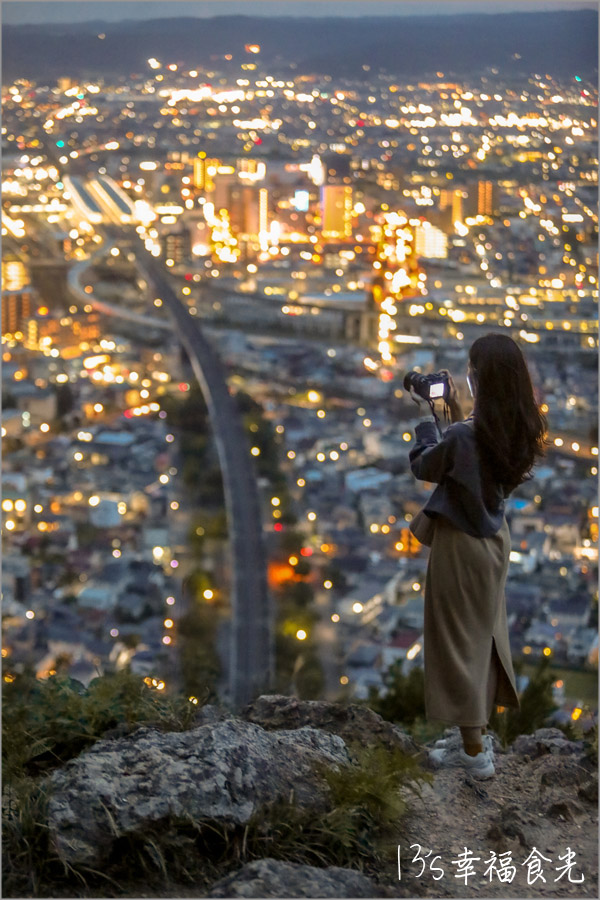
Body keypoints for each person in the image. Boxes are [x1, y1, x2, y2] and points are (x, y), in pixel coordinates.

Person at [407, 333, 548, 779]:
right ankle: (472, 732)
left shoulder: (468, 435)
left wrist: (426, 422)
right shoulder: (521, 429)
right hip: (493, 542)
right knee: (482, 638)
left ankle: (472, 753)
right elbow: (471, 462)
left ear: (479, 376)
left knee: (455, 641)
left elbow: (427, 466)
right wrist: (450, 415)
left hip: (460, 545)